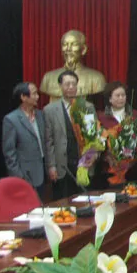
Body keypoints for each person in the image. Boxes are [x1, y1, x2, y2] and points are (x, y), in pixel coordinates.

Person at [44, 70, 97, 199]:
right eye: (67, 84)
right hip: (62, 165)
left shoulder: (87, 107)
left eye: (74, 84)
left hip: (83, 163)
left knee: (84, 201)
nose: (71, 87)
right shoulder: (50, 110)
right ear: (60, 86)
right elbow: (48, 141)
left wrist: (93, 155)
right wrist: (51, 166)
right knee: (63, 202)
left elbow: (93, 136)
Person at [2, 82, 48, 199]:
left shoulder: (40, 115)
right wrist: (19, 177)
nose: (37, 97)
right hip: (26, 175)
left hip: (43, 171)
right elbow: (9, 153)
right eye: (34, 94)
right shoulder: (11, 119)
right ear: (23, 97)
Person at [39, 30, 106, 101]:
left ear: (83, 49)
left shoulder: (96, 78)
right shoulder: (48, 77)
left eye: (74, 45)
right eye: (65, 44)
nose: (68, 49)